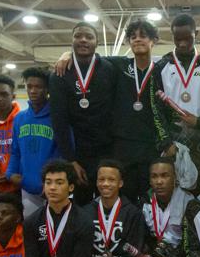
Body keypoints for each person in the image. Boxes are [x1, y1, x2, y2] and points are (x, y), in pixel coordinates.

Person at [56, 19, 162, 202]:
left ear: (154, 40)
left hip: (150, 146)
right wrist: (67, 55)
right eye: (133, 37)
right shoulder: (119, 66)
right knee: (123, 199)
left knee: (148, 199)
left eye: (143, 36)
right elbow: (88, 57)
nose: (138, 40)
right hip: (122, 148)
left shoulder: (162, 69)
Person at [50, 23, 119, 204]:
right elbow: (59, 121)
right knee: (81, 205)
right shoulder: (60, 74)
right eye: (78, 36)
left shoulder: (109, 69)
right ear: (71, 41)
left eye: (89, 37)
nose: (83, 40)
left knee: (109, 202)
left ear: (97, 42)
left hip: (107, 150)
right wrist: (70, 160)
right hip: (78, 154)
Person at [152, 14, 200, 182]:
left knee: (197, 190)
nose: (182, 43)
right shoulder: (162, 66)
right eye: (178, 39)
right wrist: (165, 143)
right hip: (172, 141)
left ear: (196, 34)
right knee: (171, 189)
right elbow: (155, 109)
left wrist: (199, 121)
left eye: (188, 38)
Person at [7, 67, 60, 219]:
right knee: (32, 234)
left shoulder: (57, 117)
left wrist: (53, 183)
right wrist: (11, 173)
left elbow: (63, 153)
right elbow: (15, 151)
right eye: (29, 86)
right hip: (27, 189)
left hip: (52, 188)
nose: (33, 91)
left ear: (47, 89)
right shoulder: (19, 118)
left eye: (38, 87)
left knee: (54, 234)